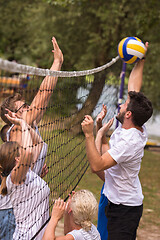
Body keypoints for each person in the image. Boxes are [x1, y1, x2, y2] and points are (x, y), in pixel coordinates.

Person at [81, 44, 153, 240]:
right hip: (116, 200)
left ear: (128, 114)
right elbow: (134, 88)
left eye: (123, 105)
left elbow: (97, 165)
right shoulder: (130, 124)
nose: (119, 104)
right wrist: (141, 58)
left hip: (125, 210)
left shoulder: (130, 141)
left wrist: (89, 135)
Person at [0, 36, 63, 239]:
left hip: (27, 209)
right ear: (14, 116)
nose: (29, 108)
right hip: (12, 214)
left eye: (27, 105)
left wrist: (35, 174)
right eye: (23, 108)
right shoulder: (16, 131)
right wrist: (57, 64)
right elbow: (42, 97)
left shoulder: (28, 127)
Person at [0, 110, 50, 239]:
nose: (24, 146)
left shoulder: (26, 173)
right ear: (17, 158)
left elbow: (40, 144)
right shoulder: (15, 177)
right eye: (20, 148)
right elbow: (28, 153)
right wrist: (22, 123)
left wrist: (25, 125)